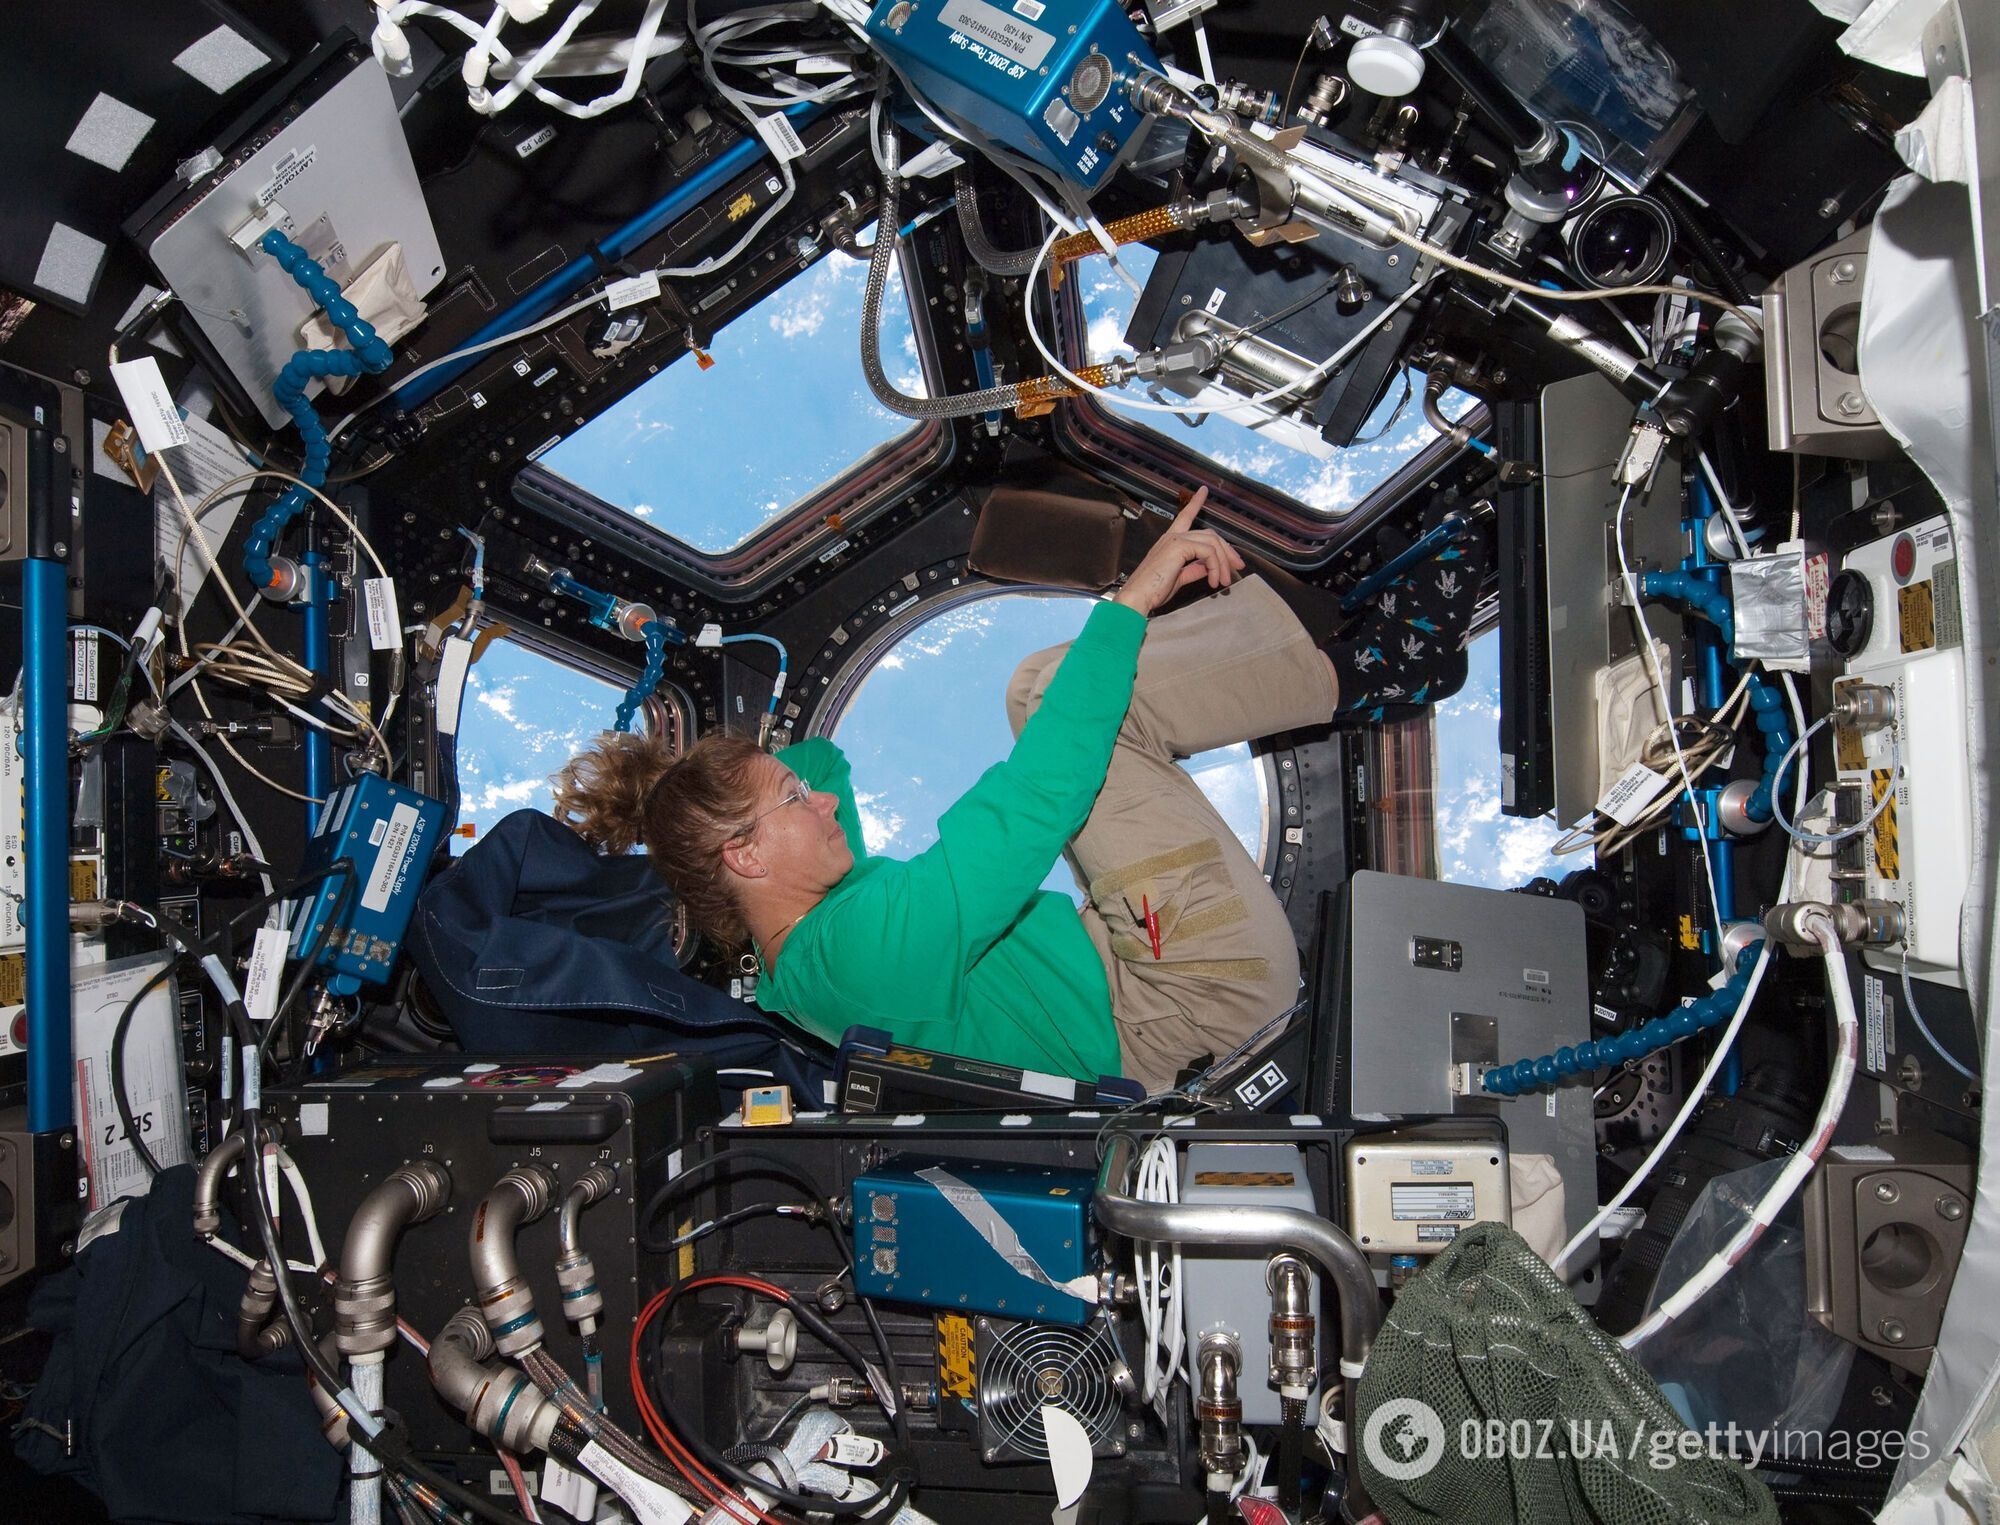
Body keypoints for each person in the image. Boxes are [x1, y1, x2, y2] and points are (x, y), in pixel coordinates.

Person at [553, 490, 1480, 1092]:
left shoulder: (818, 954)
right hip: (1183, 991)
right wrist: (1130, 603)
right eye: (793, 804)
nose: (826, 802)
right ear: (746, 856)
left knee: (1044, 695)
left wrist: (689, 785)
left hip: (1154, 976)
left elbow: (825, 775)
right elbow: (1036, 802)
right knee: (1046, 697)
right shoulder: (860, 953)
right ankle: (1370, 666)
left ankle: (1353, 652)